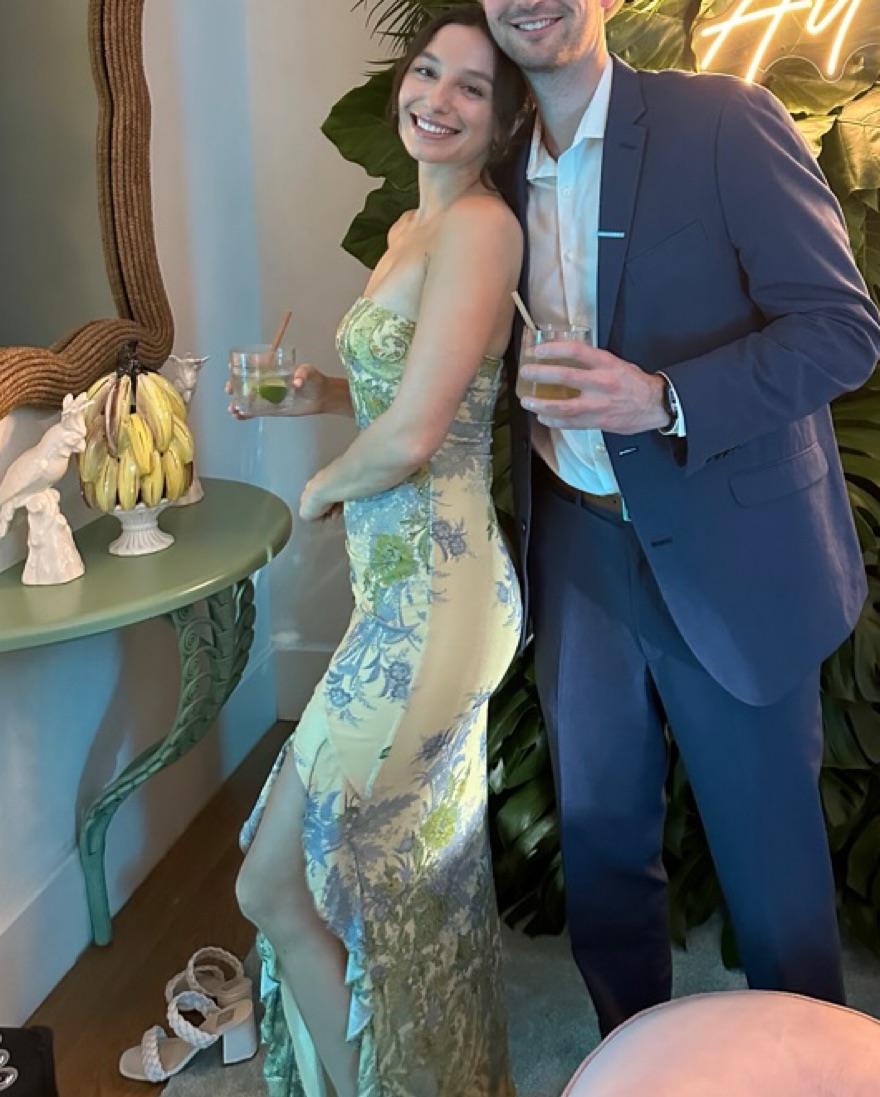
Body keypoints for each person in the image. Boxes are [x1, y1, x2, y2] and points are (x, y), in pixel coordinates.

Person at [480, 0, 880, 1040]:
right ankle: (629, 1056)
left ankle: (808, 1066)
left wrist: (663, 397)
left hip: (730, 546)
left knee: (771, 869)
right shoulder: (495, 171)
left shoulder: (724, 122)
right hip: (573, 543)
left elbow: (841, 329)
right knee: (601, 847)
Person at [233, 8, 529, 1096]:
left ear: (503, 121)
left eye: (471, 88)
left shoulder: (482, 228)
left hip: (438, 601)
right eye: (426, 72)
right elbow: (391, 393)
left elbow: (411, 436)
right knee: (382, 884)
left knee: (277, 880)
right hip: (402, 597)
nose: (435, 99)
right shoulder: (413, 227)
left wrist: (316, 489)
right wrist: (299, 393)